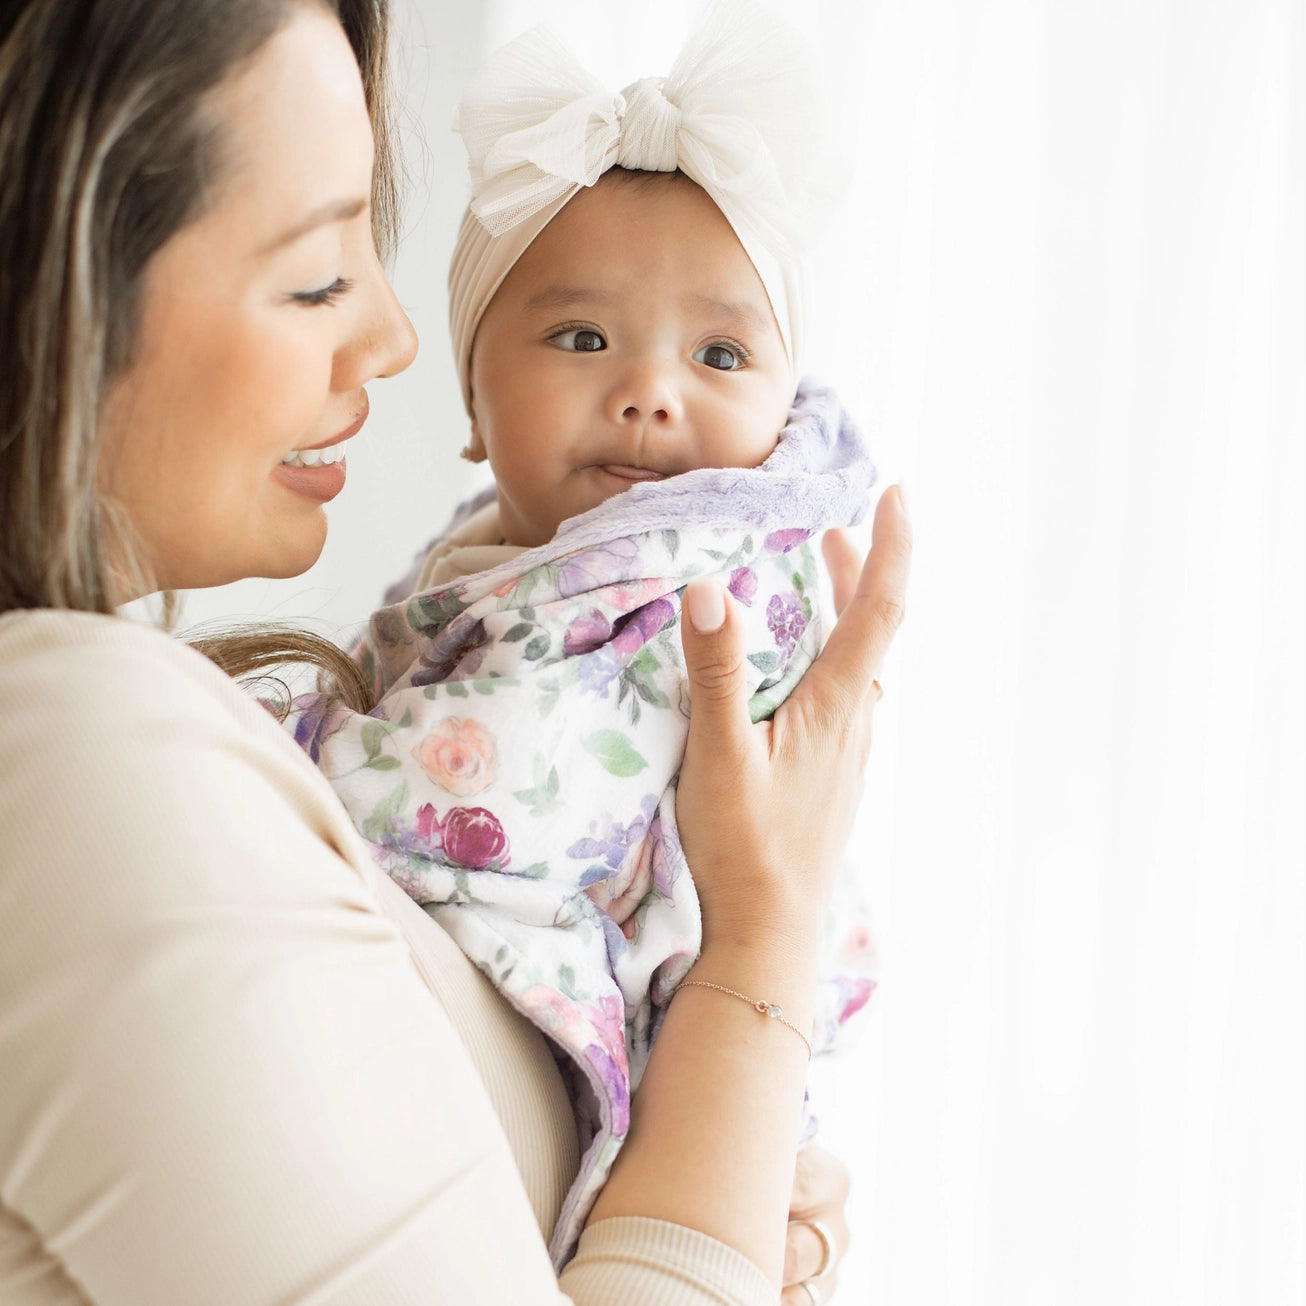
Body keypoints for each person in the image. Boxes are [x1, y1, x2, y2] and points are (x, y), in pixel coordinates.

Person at [0, 2, 910, 1304]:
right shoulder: (68, 748)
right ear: (47, 278)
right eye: (318, 270)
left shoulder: (236, 721)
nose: (395, 338)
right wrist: (756, 964)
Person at [288, 9, 882, 1265]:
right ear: (468, 398)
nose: (650, 389)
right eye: (580, 337)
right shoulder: (497, 558)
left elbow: (511, 770)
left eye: (719, 351)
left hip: (677, 1008)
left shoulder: (689, 599)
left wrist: (293, 766)